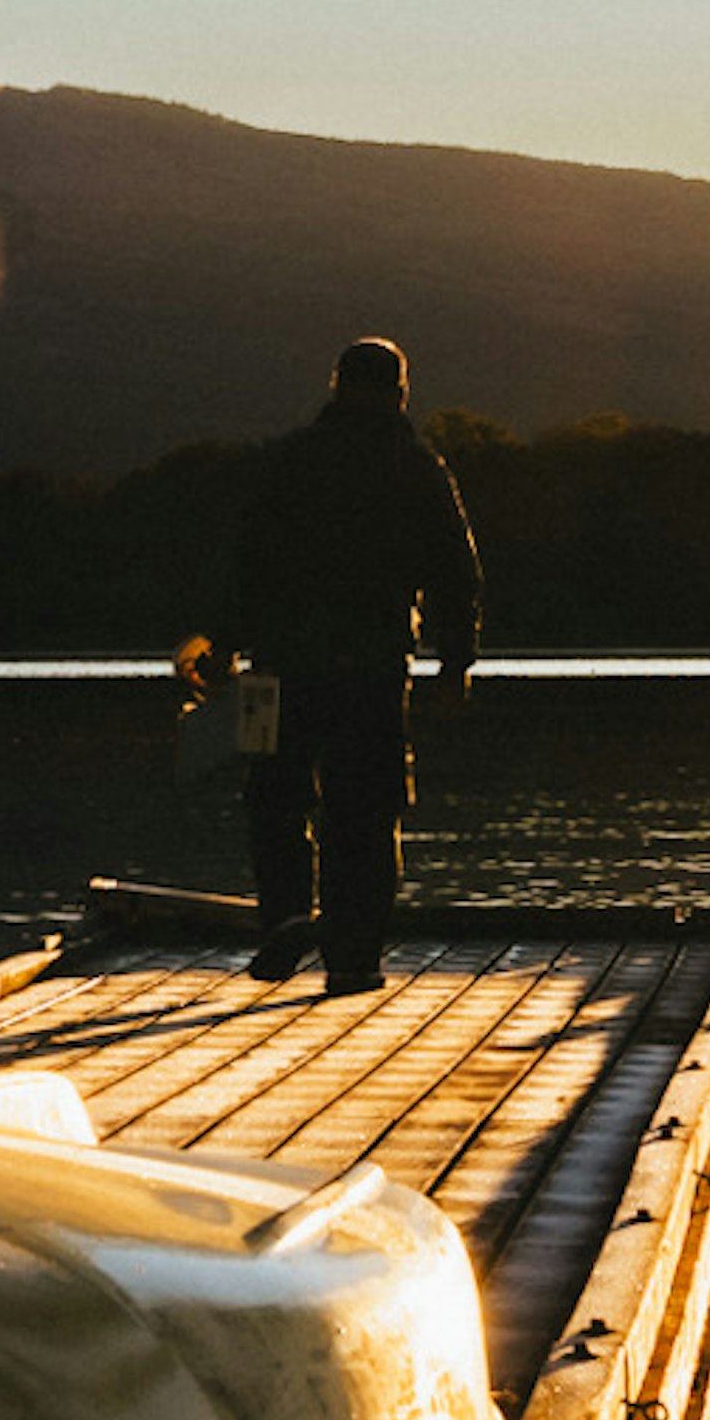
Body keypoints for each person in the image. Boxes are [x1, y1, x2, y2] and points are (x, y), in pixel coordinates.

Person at [211, 339, 480, 992]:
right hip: (373, 663)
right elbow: (455, 569)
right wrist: (455, 663)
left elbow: (243, 559)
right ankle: (353, 952)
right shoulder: (415, 465)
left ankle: (284, 919)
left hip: (277, 663)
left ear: (336, 386)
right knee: (366, 808)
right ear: (399, 391)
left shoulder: (287, 461)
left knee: (273, 799)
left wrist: (222, 643)